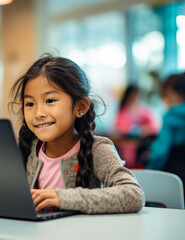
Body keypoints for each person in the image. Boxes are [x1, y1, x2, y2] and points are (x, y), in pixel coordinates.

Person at [9, 54, 144, 214]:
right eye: (30, 104)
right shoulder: (26, 148)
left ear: (80, 107)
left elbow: (134, 195)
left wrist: (64, 198)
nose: (38, 113)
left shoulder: (97, 149)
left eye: (50, 101)